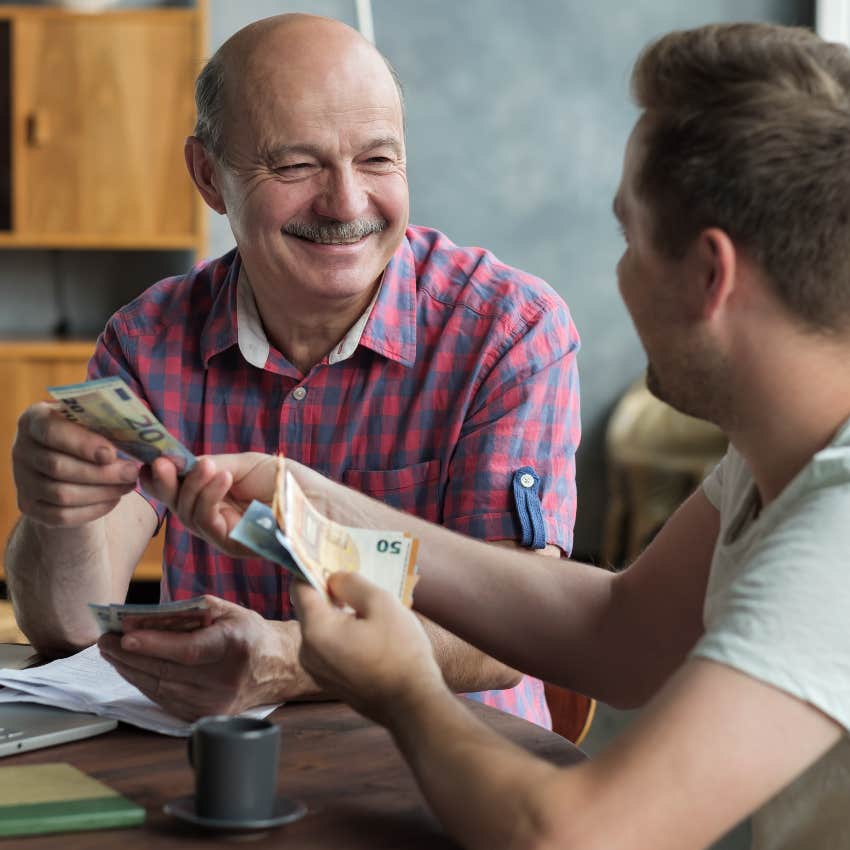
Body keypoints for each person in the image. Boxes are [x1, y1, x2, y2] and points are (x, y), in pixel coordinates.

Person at [145, 21, 850, 850]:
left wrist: (404, 689)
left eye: (630, 239)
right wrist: (310, 505)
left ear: (709, 275)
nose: (619, 276)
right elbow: (620, 632)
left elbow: (568, 836)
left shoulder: (836, 532)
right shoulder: (776, 459)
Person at [4, 14, 580, 725]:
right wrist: (54, 510)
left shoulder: (509, 331)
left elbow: (517, 633)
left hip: (454, 779)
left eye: (376, 160)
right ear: (210, 176)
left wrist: (289, 658)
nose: (345, 204)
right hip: (217, 775)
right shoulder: (148, 342)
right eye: (295, 165)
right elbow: (69, 627)